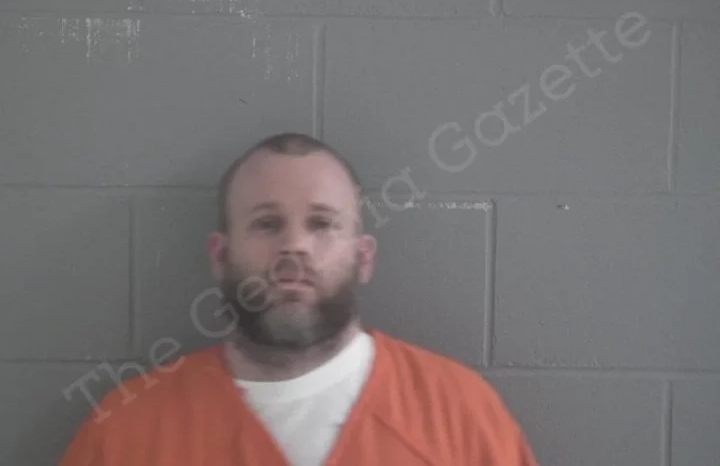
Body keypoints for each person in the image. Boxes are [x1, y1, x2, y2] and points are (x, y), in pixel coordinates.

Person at [59, 132, 538, 466]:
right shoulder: (126, 431)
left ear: (364, 257)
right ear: (221, 256)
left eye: (322, 224)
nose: (295, 246)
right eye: (267, 224)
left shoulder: (462, 413)